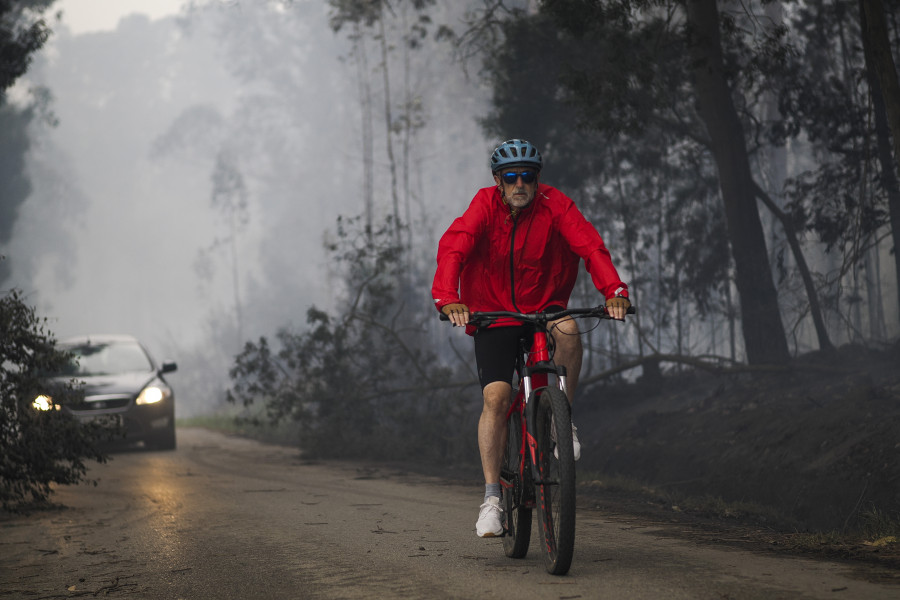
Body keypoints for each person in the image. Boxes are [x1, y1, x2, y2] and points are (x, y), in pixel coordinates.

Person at [431, 139, 631, 538]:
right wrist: (449, 298)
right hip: (494, 314)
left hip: (546, 307)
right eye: (511, 177)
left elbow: (590, 246)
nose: (520, 184)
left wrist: (614, 290)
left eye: (528, 176)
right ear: (498, 181)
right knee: (497, 398)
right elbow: (454, 247)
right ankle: (491, 499)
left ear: (538, 180)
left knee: (571, 330)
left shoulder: (556, 205)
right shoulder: (484, 206)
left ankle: (561, 423)